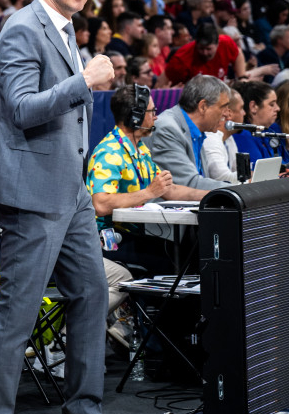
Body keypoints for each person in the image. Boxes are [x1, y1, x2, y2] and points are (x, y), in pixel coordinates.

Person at [0, 0, 135, 414]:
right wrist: (84, 80)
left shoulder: (65, 29)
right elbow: (22, 109)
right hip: (31, 192)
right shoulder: (22, 28)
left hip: (71, 191)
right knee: (18, 311)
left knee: (91, 295)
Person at [87, 85, 206, 276]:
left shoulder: (140, 150)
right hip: (107, 240)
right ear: (135, 117)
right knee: (175, 261)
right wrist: (149, 192)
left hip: (131, 236)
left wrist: (214, 195)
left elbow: (170, 190)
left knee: (187, 253)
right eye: (152, 112)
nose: (156, 117)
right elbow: (100, 204)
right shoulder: (109, 152)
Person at [146, 75, 233, 190]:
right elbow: (188, 183)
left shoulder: (197, 132)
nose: (227, 114)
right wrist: (239, 190)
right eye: (223, 107)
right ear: (203, 107)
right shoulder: (167, 129)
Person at [203, 88, 244, 184]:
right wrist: (252, 179)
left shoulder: (229, 138)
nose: (244, 113)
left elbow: (236, 171)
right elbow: (222, 177)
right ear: (229, 113)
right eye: (241, 108)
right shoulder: (210, 139)